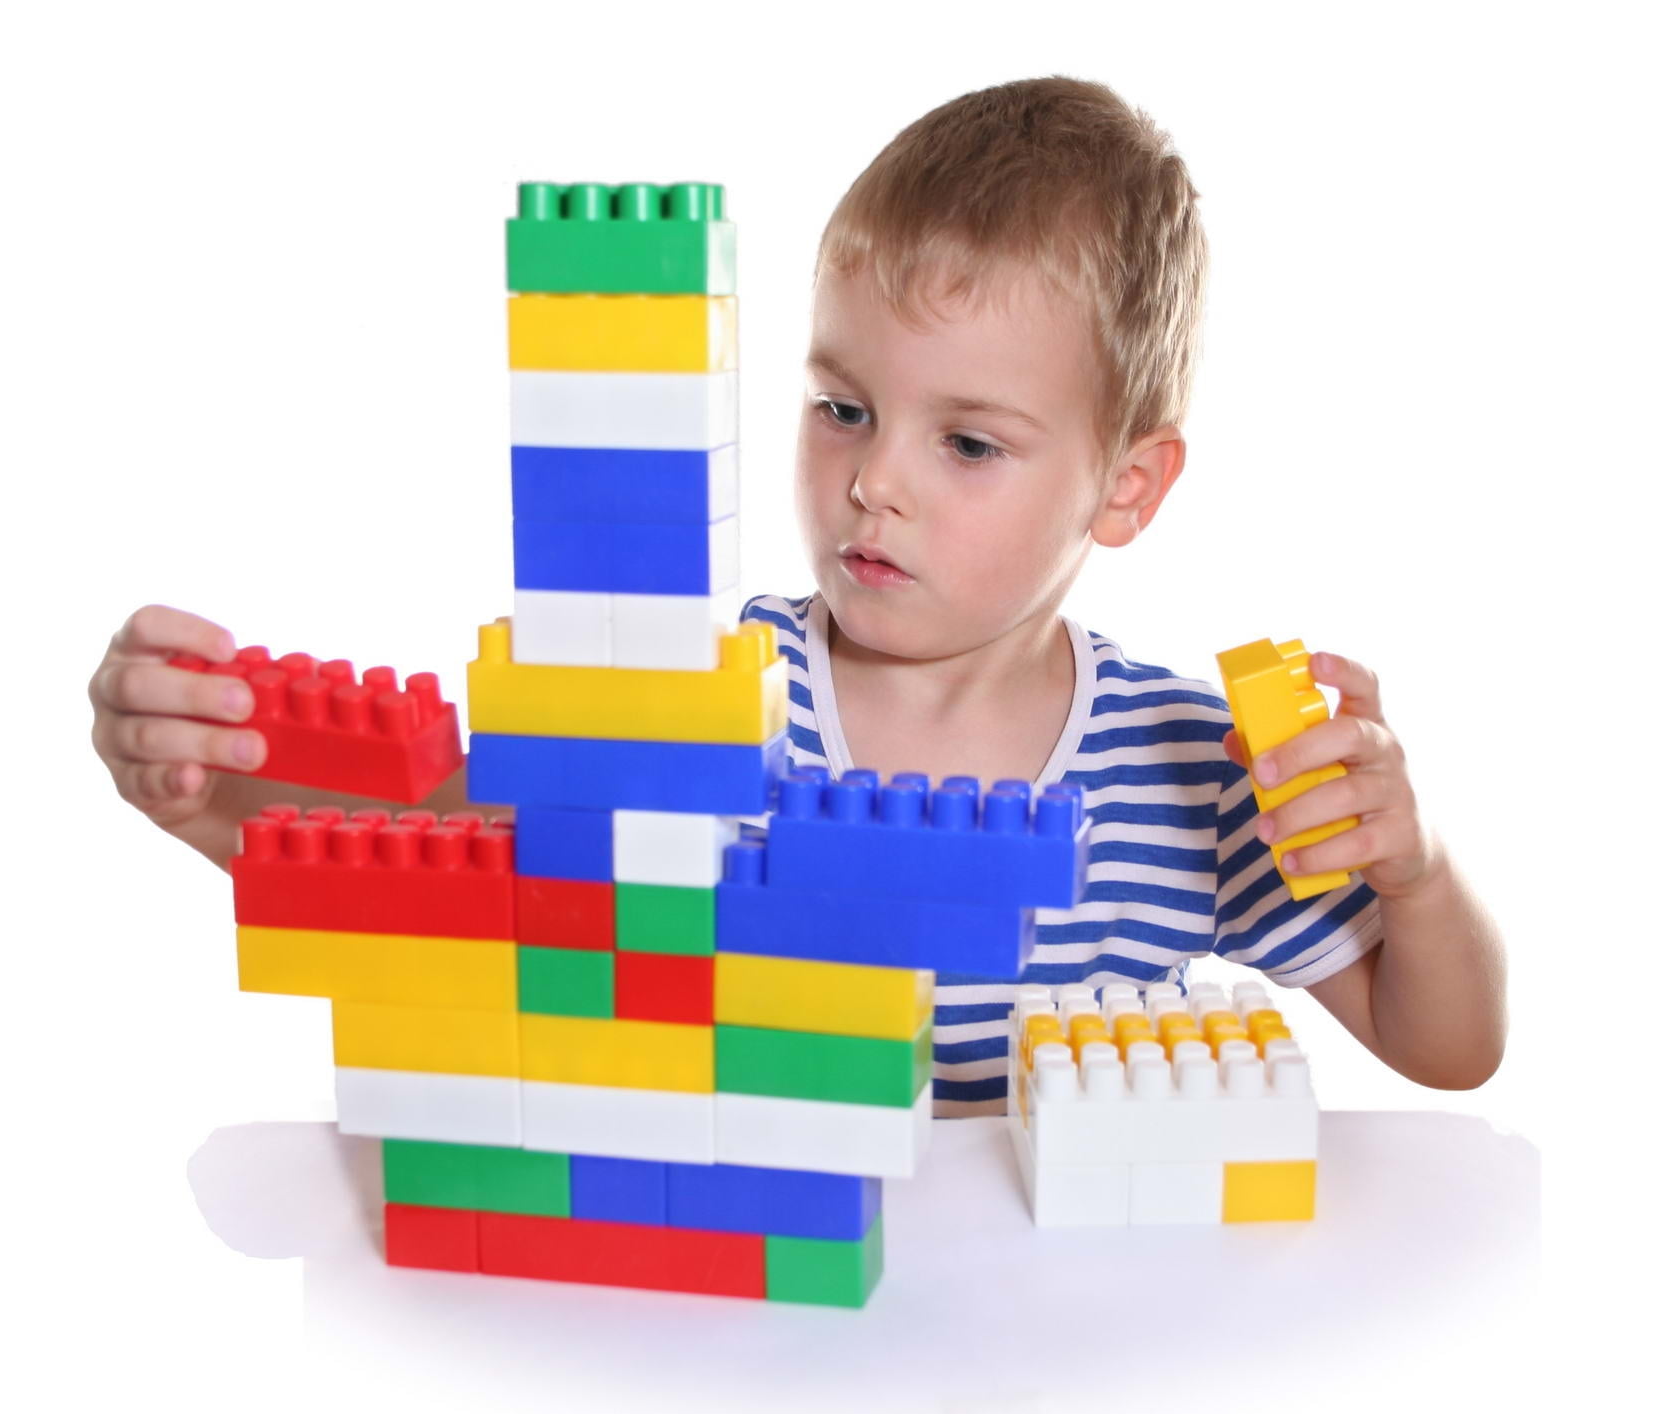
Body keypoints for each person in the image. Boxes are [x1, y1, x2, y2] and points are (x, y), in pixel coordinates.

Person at [90, 76, 1505, 1118]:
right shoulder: (704, 689)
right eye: (840, 405)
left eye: (966, 442)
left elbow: (1445, 1043)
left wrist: (1415, 874)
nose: (871, 480)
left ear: (1125, 488)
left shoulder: (1189, 769)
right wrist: (207, 793)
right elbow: (440, 869)